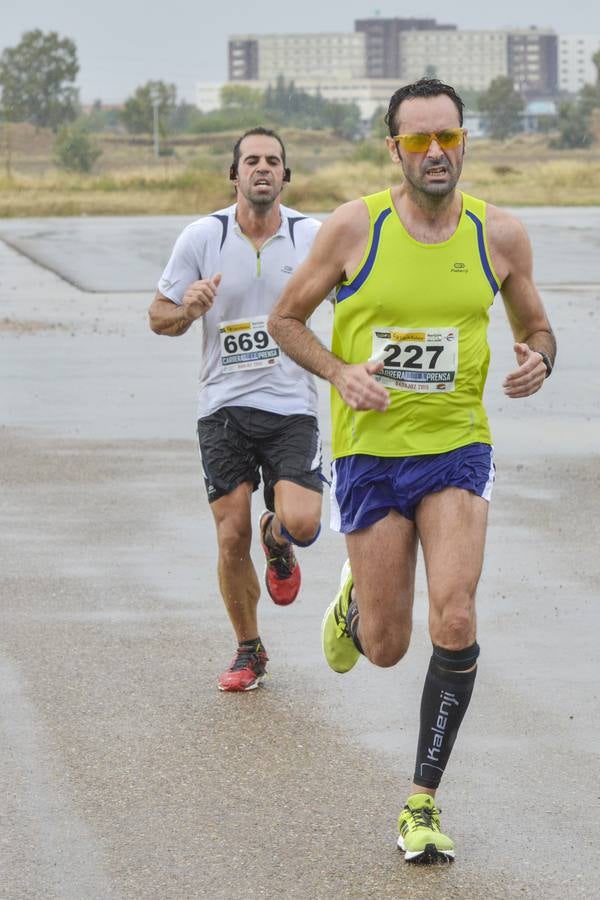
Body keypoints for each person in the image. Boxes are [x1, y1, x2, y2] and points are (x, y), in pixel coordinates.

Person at [268, 79, 556, 861]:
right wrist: (339, 372)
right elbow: (285, 320)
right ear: (393, 147)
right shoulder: (354, 228)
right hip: (371, 454)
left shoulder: (498, 235)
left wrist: (540, 360)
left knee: (454, 618)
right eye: (420, 140)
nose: (437, 153)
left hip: (459, 447)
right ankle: (358, 602)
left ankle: (421, 802)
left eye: (449, 138)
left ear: (465, 141)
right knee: (390, 645)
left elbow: (537, 326)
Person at [149, 127, 323, 693]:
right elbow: (158, 315)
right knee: (229, 537)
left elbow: (359, 296)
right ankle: (249, 649)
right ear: (235, 175)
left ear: (286, 176)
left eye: (273, 161)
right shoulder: (202, 236)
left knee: (303, 523)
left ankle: (278, 542)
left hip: (292, 404)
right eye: (251, 161)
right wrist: (187, 306)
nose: (262, 169)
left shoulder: (311, 237)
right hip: (222, 406)